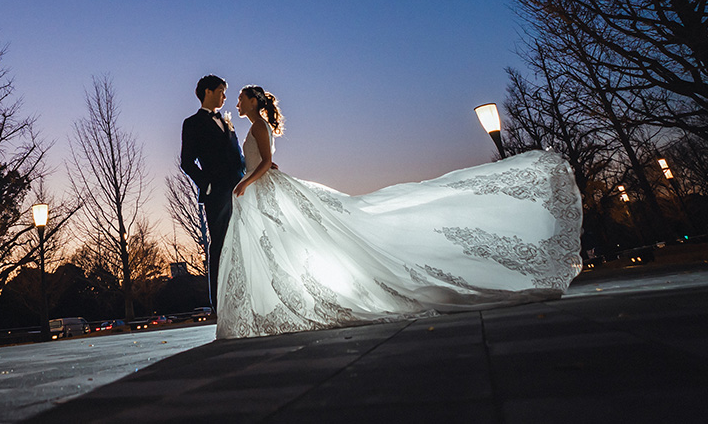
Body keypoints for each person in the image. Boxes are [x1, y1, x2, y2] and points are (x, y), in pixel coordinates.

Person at [216, 85, 583, 339]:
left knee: (304, 238)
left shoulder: (259, 125)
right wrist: (258, 177)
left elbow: (265, 161)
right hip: (262, 190)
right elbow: (267, 163)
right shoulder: (254, 126)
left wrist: (247, 183)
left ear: (254, 101)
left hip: (259, 189)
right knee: (281, 246)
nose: (237, 103)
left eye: (242, 99)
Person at [179, 74, 246, 309]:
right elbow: (186, 162)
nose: (225, 96)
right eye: (221, 90)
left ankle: (242, 296)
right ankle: (220, 303)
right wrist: (206, 184)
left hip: (241, 190)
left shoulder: (227, 121)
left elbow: (237, 157)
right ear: (207, 92)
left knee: (242, 242)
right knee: (220, 243)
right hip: (216, 192)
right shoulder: (192, 123)